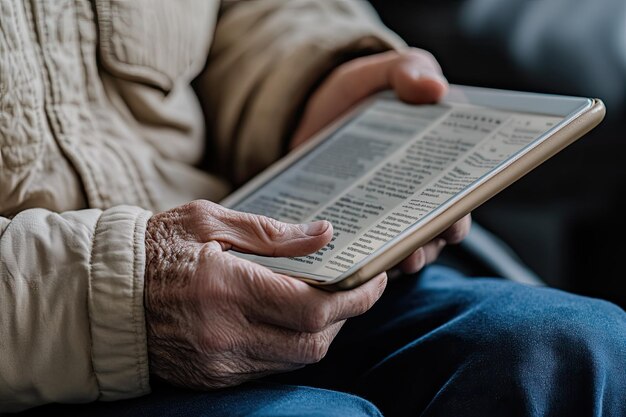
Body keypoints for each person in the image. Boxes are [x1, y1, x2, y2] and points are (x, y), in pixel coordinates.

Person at [0, 1, 624, 416]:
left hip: (252, 246)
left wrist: (315, 84)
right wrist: (107, 297)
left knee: (578, 351)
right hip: (38, 339)